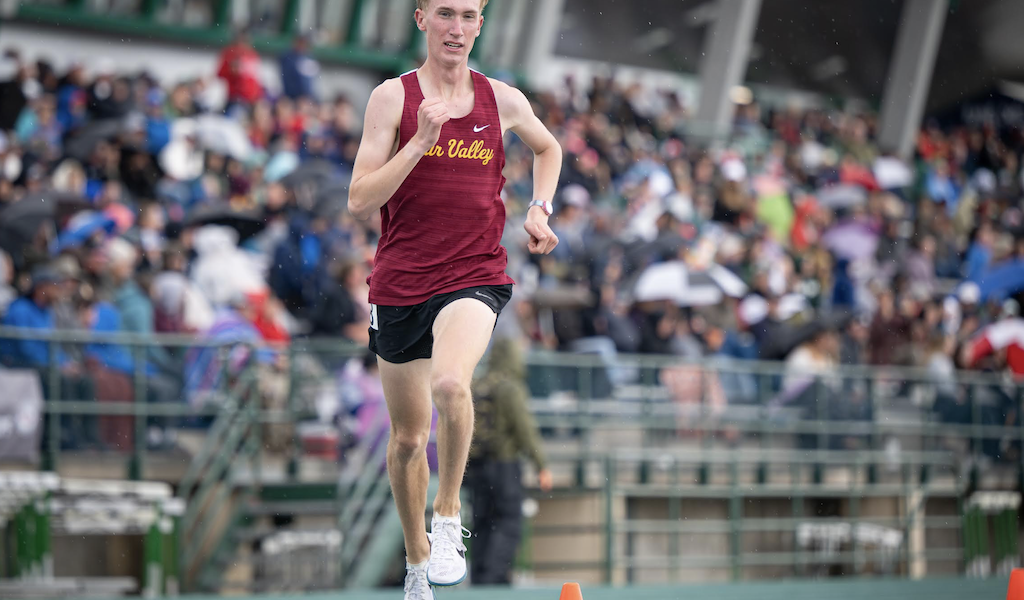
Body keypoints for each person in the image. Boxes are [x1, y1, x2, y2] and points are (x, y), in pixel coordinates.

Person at [346, 0, 561, 596]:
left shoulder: (502, 99)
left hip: (473, 272)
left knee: (450, 384)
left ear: (481, 25)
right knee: (408, 439)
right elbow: (360, 199)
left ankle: (447, 516)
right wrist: (419, 141)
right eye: (445, 14)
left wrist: (540, 209)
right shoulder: (392, 98)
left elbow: (549, 149)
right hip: (400, 283)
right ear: (421, 19)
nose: (457, 28)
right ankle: (417, 562)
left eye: (468, 16)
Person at [467, 337, 552, 585]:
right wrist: (541, 465)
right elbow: (525, 431)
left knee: (482, 523)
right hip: (504, 466)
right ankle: (495, 580)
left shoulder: (477, 384)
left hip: (476, 466)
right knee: (508, 522)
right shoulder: (510, 388)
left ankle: (480, 580)